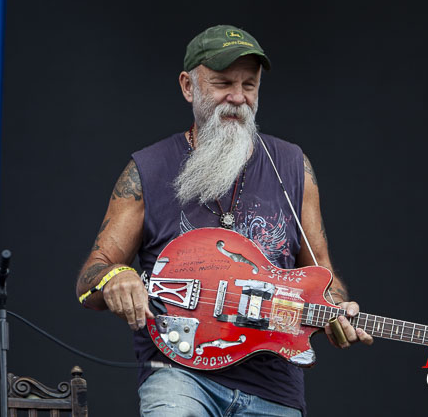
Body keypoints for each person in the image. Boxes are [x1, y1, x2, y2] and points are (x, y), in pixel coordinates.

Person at [75, 25, 373, 416]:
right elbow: (89, 279)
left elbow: (321, 276)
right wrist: (117, 278)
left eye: (250, 85)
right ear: (188, 86)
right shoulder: (147, 170)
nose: (237, 98)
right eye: (222, 83)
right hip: (179, 375)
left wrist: (336, 310)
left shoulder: (293, 168)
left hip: (274, 387)